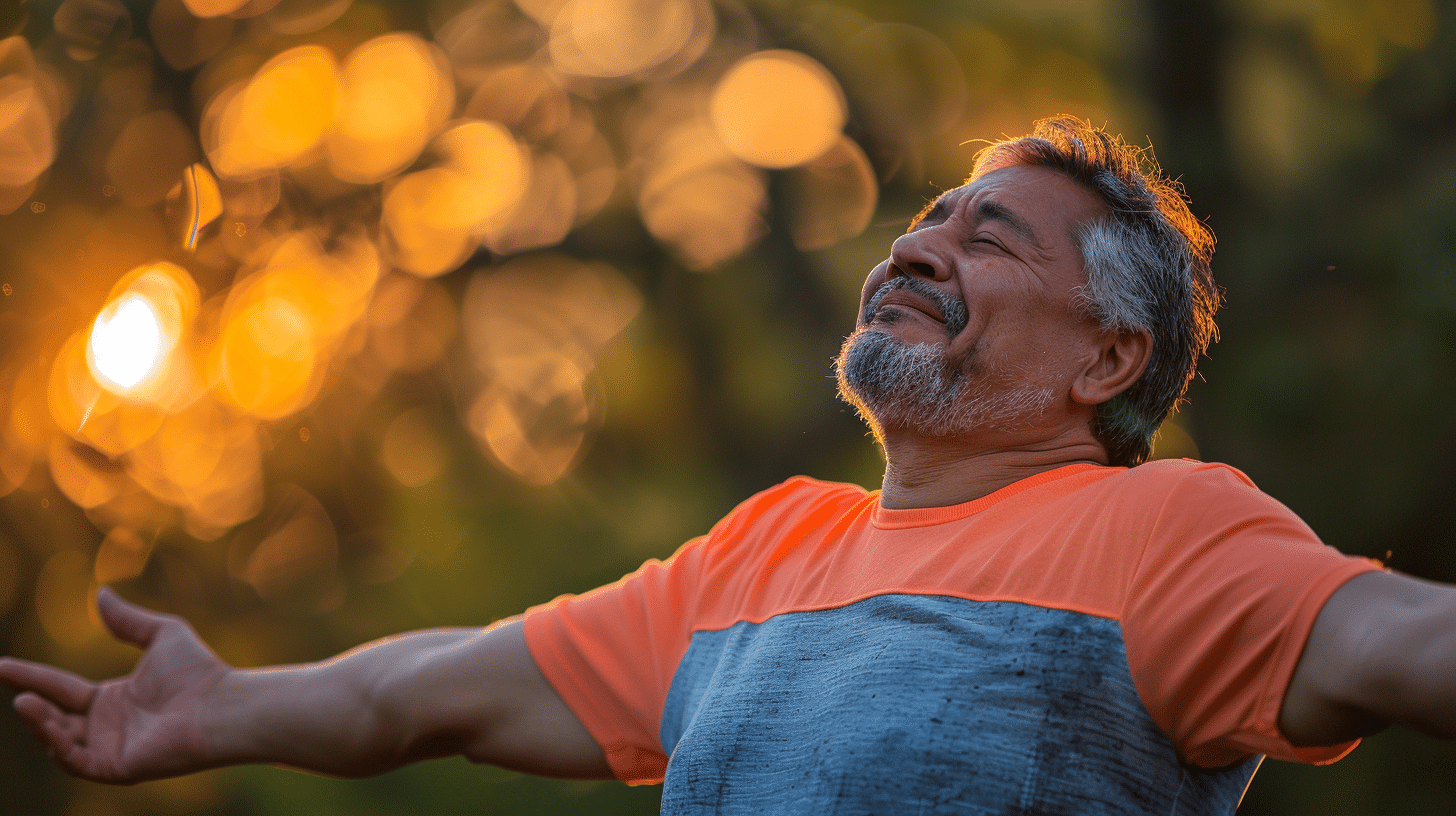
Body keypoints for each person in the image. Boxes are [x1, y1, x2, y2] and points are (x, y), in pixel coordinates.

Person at [2, 116, 1453, 814]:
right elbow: (422, 691)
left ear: (1107, 362)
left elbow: (1406, 642)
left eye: (990, 237)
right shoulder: (764, 555)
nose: (918, 244)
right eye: (927, 219)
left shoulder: (1166, 537)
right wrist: (222, 705)